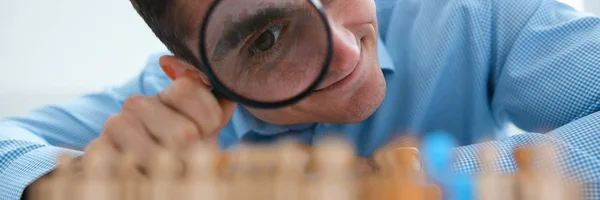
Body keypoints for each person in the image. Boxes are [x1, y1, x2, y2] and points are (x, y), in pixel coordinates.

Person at [3, 0, 600, 199]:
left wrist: (384, 183)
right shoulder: (167, 109)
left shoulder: (471, 15)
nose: (346, 53)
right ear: (196, 74)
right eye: (266, 38)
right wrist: (62, 185)